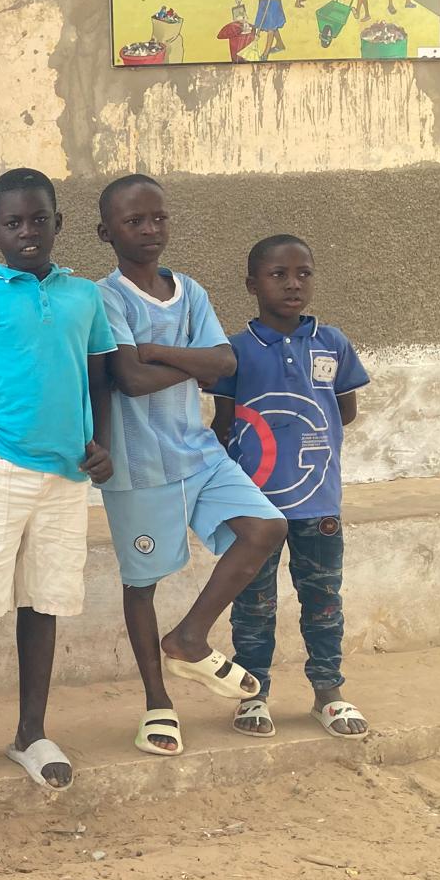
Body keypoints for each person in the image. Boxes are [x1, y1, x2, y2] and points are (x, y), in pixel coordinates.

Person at [0, 169, 115, 791]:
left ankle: (30, 732)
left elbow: (98, 380)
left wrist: (102, 445)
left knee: (45, 601)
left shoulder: (84, 297)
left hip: (67, 477)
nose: (27, 232)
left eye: (39, 219)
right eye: (13, 223)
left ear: (59, 224)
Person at [94, 175, 286, 757]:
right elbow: (127, 379)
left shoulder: (192, 291)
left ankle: (189, 637)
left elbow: (224, 361)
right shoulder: (104, 297)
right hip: (137, 464)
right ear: (107, 232)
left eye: (159, 218)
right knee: (142, 583)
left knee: (265, 528)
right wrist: (187, 362)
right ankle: (158, 703)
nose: (150, 230)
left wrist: (154, 351)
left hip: (198, 451)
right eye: (134, 221)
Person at [209, 235, 371, 741]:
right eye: (278, 274)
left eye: (303, 272)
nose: (293, 283)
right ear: (252, 284)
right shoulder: (234, 351)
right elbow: (223, 423)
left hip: (318, 504)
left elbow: (343, 409)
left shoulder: (332, 343)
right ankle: (253, 694)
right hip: (255, 510)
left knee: (323, 598)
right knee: (253, 602)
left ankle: (328, 692)